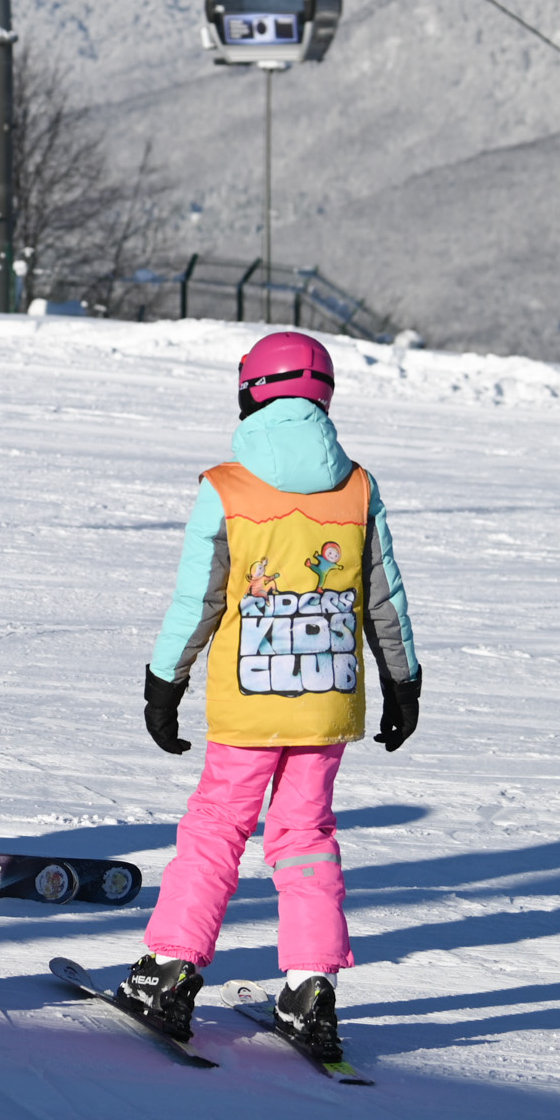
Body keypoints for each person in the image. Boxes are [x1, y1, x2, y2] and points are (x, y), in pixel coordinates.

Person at [113, 330, 422, 1060]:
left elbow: (200, 601)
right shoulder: (357, 487)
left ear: (251, 392)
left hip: (250, 704)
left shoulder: (226, 486)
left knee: (218, 825)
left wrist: (166, 683)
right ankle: (311, 988)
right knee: (306, 836)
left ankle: (171, 971)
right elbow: (385, 597)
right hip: (326, 702)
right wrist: (403, 682)